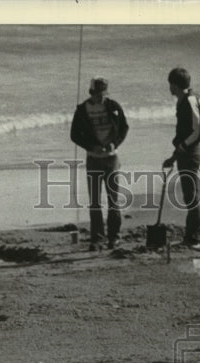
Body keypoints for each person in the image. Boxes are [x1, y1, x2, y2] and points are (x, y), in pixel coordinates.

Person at [70, 78, 129, 251]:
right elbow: (74, 135)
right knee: (95, 201)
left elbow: (124, 127)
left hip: (111, 158)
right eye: (98, 95)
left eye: (104, 94)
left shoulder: (113, 106)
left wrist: (115, 144)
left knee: (113, 200)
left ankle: (114, 237)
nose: (102, 98)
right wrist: (91, 146)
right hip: (93, 158)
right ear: (92, 93)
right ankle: (96, 238)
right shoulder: (82, 110)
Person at [161, 67, 200, 249]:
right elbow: (185, 133)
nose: (169, 87)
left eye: (170, 84)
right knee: (190, 195)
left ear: (175, 85)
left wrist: (184, 147)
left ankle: (194, 238)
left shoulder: (190, 100)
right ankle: (193, 235)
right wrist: (173, 157)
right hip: (185, 153)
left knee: (191, 195)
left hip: (191, 153)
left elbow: (198, 131)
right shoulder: (183, 100)